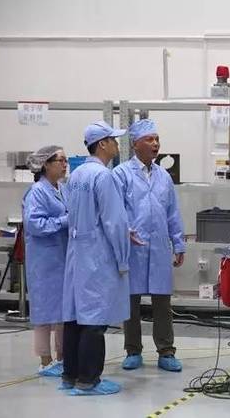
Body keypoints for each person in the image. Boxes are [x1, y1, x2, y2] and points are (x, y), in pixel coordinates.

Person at [61, 121, 131, 396]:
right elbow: (114, 222)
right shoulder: (104, 176)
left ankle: (70, 376)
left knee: (74, 315)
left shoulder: (77, 175)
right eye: (113, 139)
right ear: (102, 144)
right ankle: (89, 380)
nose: (116, 144)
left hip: (77, 253)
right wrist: (123, 258)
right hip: (97, 255)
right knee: (94, 318)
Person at [113, 119, 185, 373]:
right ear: (135, 144)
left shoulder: (164, 176)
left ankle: (166, 351)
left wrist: (179, 243)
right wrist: (124, 232)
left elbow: (172, 213)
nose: (155, 144)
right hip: (132, 247)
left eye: (157, 139)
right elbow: (114, 211)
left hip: (159, 247)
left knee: (162, 301)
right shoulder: (121, 174)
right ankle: (133, 350)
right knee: (130, 301)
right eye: (150, 139)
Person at [23, 145, 68, 376]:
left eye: (65, 160)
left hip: (61, 258)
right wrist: (64, 221)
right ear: (46, 165)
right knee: (43, 311)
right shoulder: (37, 192)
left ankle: (62, 357)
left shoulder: (62, 189)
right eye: (60, 160)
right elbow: (35, 225)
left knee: (62, 310)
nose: (65, 164)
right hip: (43, 260)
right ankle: (45, 360)